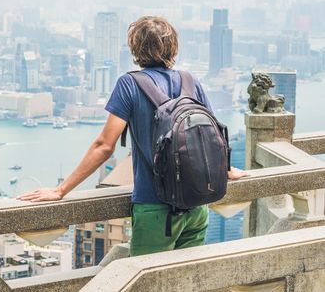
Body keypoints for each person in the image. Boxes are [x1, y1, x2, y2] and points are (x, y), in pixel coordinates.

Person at [18, 16, 247, 256]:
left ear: (135, 49)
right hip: (197, 205)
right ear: (174, 47)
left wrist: (60, 190)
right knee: (183, 280)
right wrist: (227, 170)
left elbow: (104, 146)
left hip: (154, 209)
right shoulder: (190, 81)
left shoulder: (130, 84)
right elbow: (211, 139)